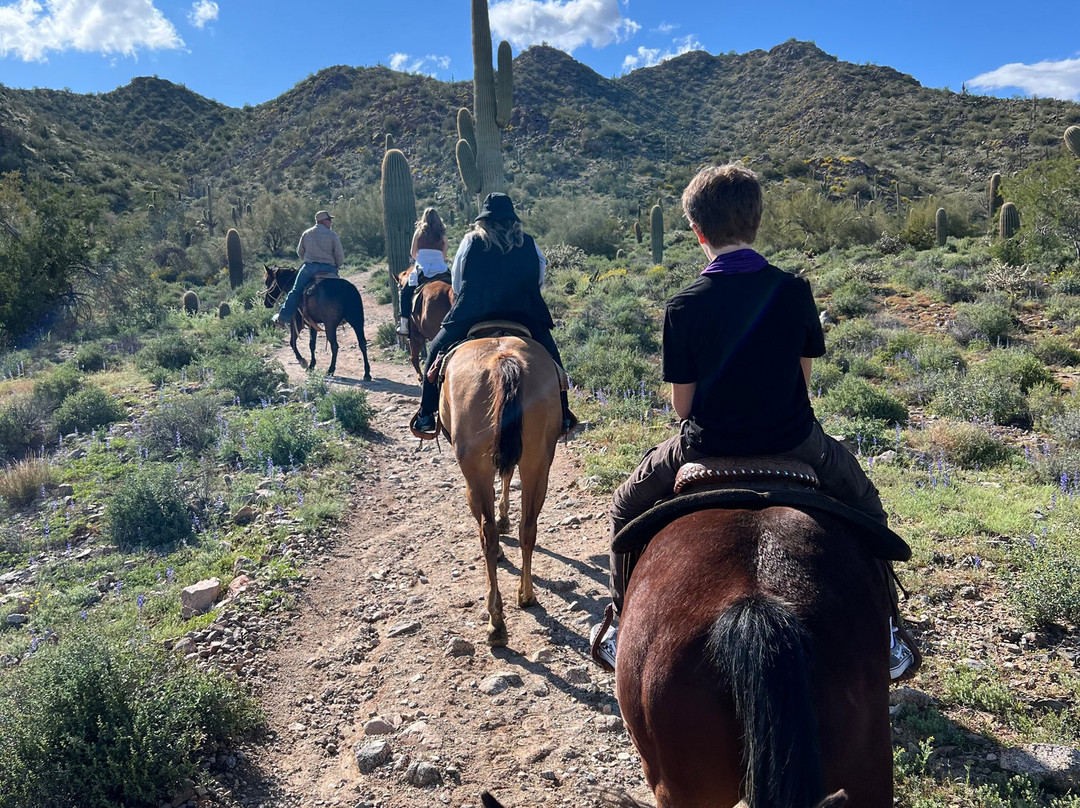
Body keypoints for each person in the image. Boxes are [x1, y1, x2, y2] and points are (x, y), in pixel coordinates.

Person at [589, 164, 917, 681]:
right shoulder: (794, 292)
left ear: (698, 231)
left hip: (704, 448)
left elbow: (682, 407)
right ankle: (893, 630)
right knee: (865, 501)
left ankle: (621, 620)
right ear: (757, 222)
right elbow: (803, 383)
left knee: (626, 504)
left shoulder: (683, 305)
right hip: (796, 443)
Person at [412, 192, 576, 436]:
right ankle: (563, 412)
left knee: (435, 349)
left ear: (484, 220)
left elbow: (457, 282)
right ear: (513, 219)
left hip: (473, 313)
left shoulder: (471, 241)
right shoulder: (530, 243)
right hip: (523, 315)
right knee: (553, 359)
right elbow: (539, 279)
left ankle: (426, 414)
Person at [272, 210, 344, 324]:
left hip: (309, 268)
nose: (330, 222)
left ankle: (283, 318)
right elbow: (339, 256)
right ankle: (342, 316)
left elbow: (299, 252)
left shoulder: (306, 233)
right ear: (323, 221)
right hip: (329, 269)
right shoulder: (333, 235)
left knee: (295, 291)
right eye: (329, 220)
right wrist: (337, 265)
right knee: (340, 290)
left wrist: (308, 259)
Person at [398, 207, 450, 335]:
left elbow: (412, 252)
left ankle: (404, 324)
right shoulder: (442, 234)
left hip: (422, 268)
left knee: (405, 293)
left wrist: (421, 259)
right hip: (440, 268)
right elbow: (444, 253)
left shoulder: (419, 232)